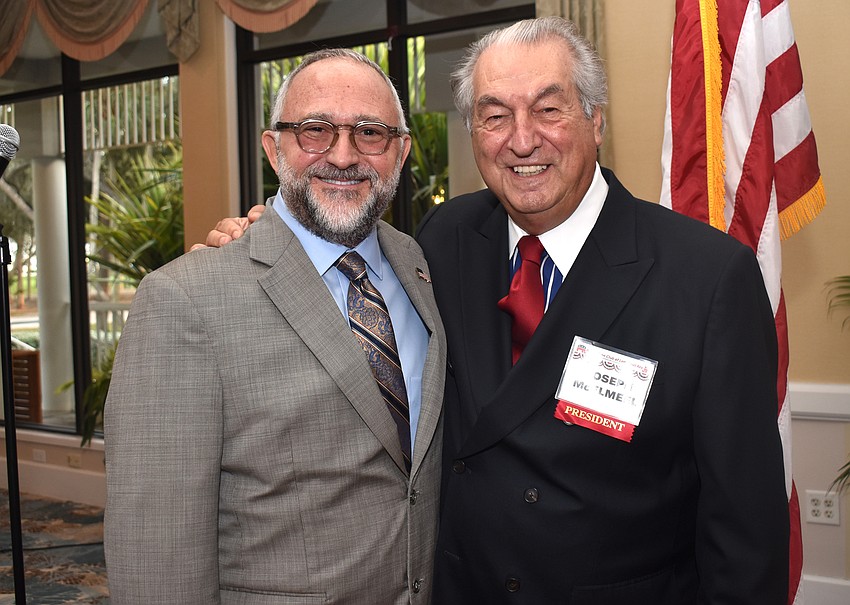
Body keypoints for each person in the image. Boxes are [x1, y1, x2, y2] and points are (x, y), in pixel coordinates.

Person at [204, 17, 790, 604]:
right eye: (494, 116)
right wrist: (263, 236)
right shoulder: (443, 239)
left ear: (596, 121)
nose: (522, 139)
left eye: (549, 110)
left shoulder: (707, 279)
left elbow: (745, 537)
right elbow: (344, 268)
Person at [104, 49, 446, 605]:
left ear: (401, 151)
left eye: (370, 133)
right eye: (314, 130)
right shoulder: (182, 300)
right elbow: (156, 551)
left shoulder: (418, 265)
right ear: (273, 148)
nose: (342, 155)